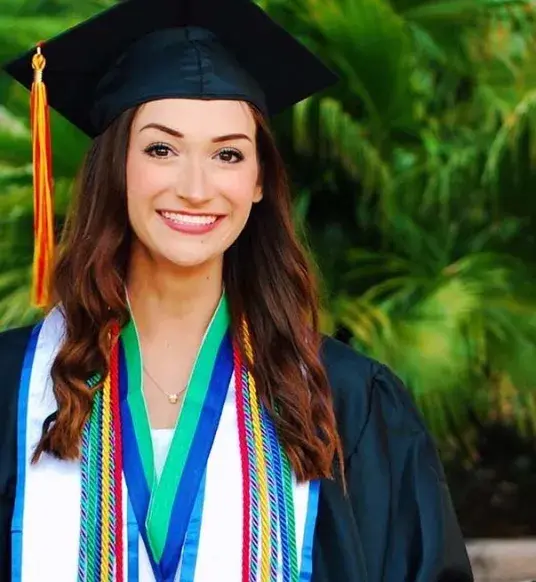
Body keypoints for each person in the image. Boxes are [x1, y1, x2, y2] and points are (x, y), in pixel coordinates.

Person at [0, 0, 474, 580]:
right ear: (116, 167)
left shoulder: (345, 402)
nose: (196, 188)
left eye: (228, 154)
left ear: (258, 181)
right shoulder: (12, 389)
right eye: (161, 149)